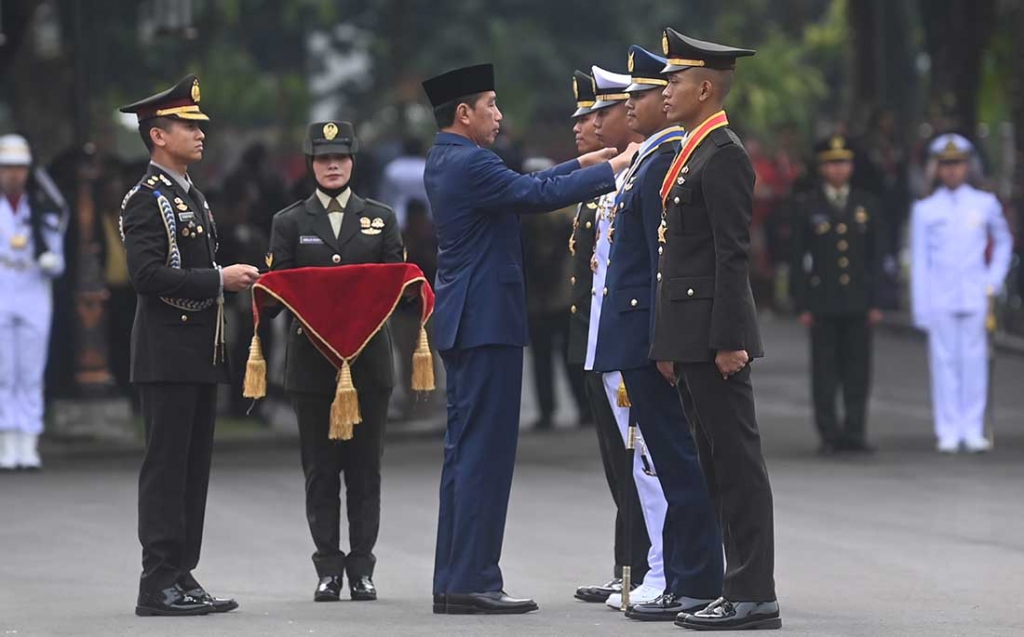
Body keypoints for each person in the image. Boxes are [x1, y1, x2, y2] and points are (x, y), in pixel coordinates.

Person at [421, 62, 634, 615]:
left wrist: (582, 162)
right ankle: (473, 580)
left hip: (469, 320)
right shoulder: (472, 162)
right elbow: (533, 194)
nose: (499, 115)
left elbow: (524, 186)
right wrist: (614, 165)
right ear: (464, 113)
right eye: (491, 104)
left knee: (464, 455)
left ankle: (456, 577)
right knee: (486, 456)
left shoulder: (450, 158)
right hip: (485, 321)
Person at [650, 29, 781, 630]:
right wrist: (672, 342)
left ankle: (755, 594)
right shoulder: (694, 150)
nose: (666, 89)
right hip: (693, 335)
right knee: (714, 466)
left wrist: (730, 339)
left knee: (736, 465)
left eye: (674, 80)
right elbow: (680, 257)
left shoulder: (722, 153)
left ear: (705, 87)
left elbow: (733, 255)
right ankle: (736, 588)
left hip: (715, 336)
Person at [591, 45, 724, 620]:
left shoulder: (667, 155)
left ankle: (695, 578)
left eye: (641, 95)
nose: (648, 100)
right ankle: (682, 576)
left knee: (676, 459)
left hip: (649, 334)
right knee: (665, 461)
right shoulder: (648, 157)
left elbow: (662, 263)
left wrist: (663, 339)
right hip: (633, 332)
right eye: (648, 91)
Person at [119, 75, 259, 616]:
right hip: (165, 352)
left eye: (199, 125)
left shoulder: (190, 195)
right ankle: (156, 582)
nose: (200, 134)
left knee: (193, 468)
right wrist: (218, 280)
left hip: (200, 348)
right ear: (158, 135)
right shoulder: (145, 199)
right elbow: (146, 275)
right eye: (187, 125)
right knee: (166, 468)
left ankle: (182, 571)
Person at [267, 121, 403, 602]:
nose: (331, 166)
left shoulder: (381, 218)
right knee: (320, 470)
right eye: (323, 159)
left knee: (365, 470)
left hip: (368, 365)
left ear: (352, 163)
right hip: (312, 364)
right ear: (310, 164)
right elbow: (279, 290)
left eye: (340, 158)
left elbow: (396, 288)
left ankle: (363, 567)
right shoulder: (289, 222)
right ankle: (327, 566)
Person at [568, 67, 658, 607]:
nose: (586, 126)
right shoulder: (607, 176)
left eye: (596, 114)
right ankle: (628, 565)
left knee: (636, 458)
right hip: (595, 336)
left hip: (624, 338)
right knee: (615, 459)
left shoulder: (638, 172)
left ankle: (645, 568)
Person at [910, 133, 1012, 453]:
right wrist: (920, 305)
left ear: (968, 166)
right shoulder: (926, 209)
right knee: (944, 362)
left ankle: (972, 427)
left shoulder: (984, 203)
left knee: (974, 361)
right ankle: (948, 428)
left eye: (957, 164)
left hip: (975, 294)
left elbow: (1004, 242)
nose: (952, 171)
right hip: (940, 295)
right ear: (937, 169)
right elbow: (920, 261)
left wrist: (993, 280)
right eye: (946, 165)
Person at [791, 136, 884, 455]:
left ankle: (855, 430)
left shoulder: (866, 205)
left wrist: (877, 300)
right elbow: (797, 258)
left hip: (858, 300)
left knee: (858, 370)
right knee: (825, 371)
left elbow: (877, 256)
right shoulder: (808, 205)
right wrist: (801, 303)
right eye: (832, 163)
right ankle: (829, 433)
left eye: (842, 162)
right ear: (822, 168)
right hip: (823, 301)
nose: (838, 169)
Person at [0, 134, 66, 471]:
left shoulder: (41, 209)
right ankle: (6, 442)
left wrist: (51, 260)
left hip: (33, 296)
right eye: (7, 168)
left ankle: (28, 443)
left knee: (30, 372)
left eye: (20, 168)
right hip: (1, 295)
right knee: (3, 371)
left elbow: (59, 257)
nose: (13, 175)